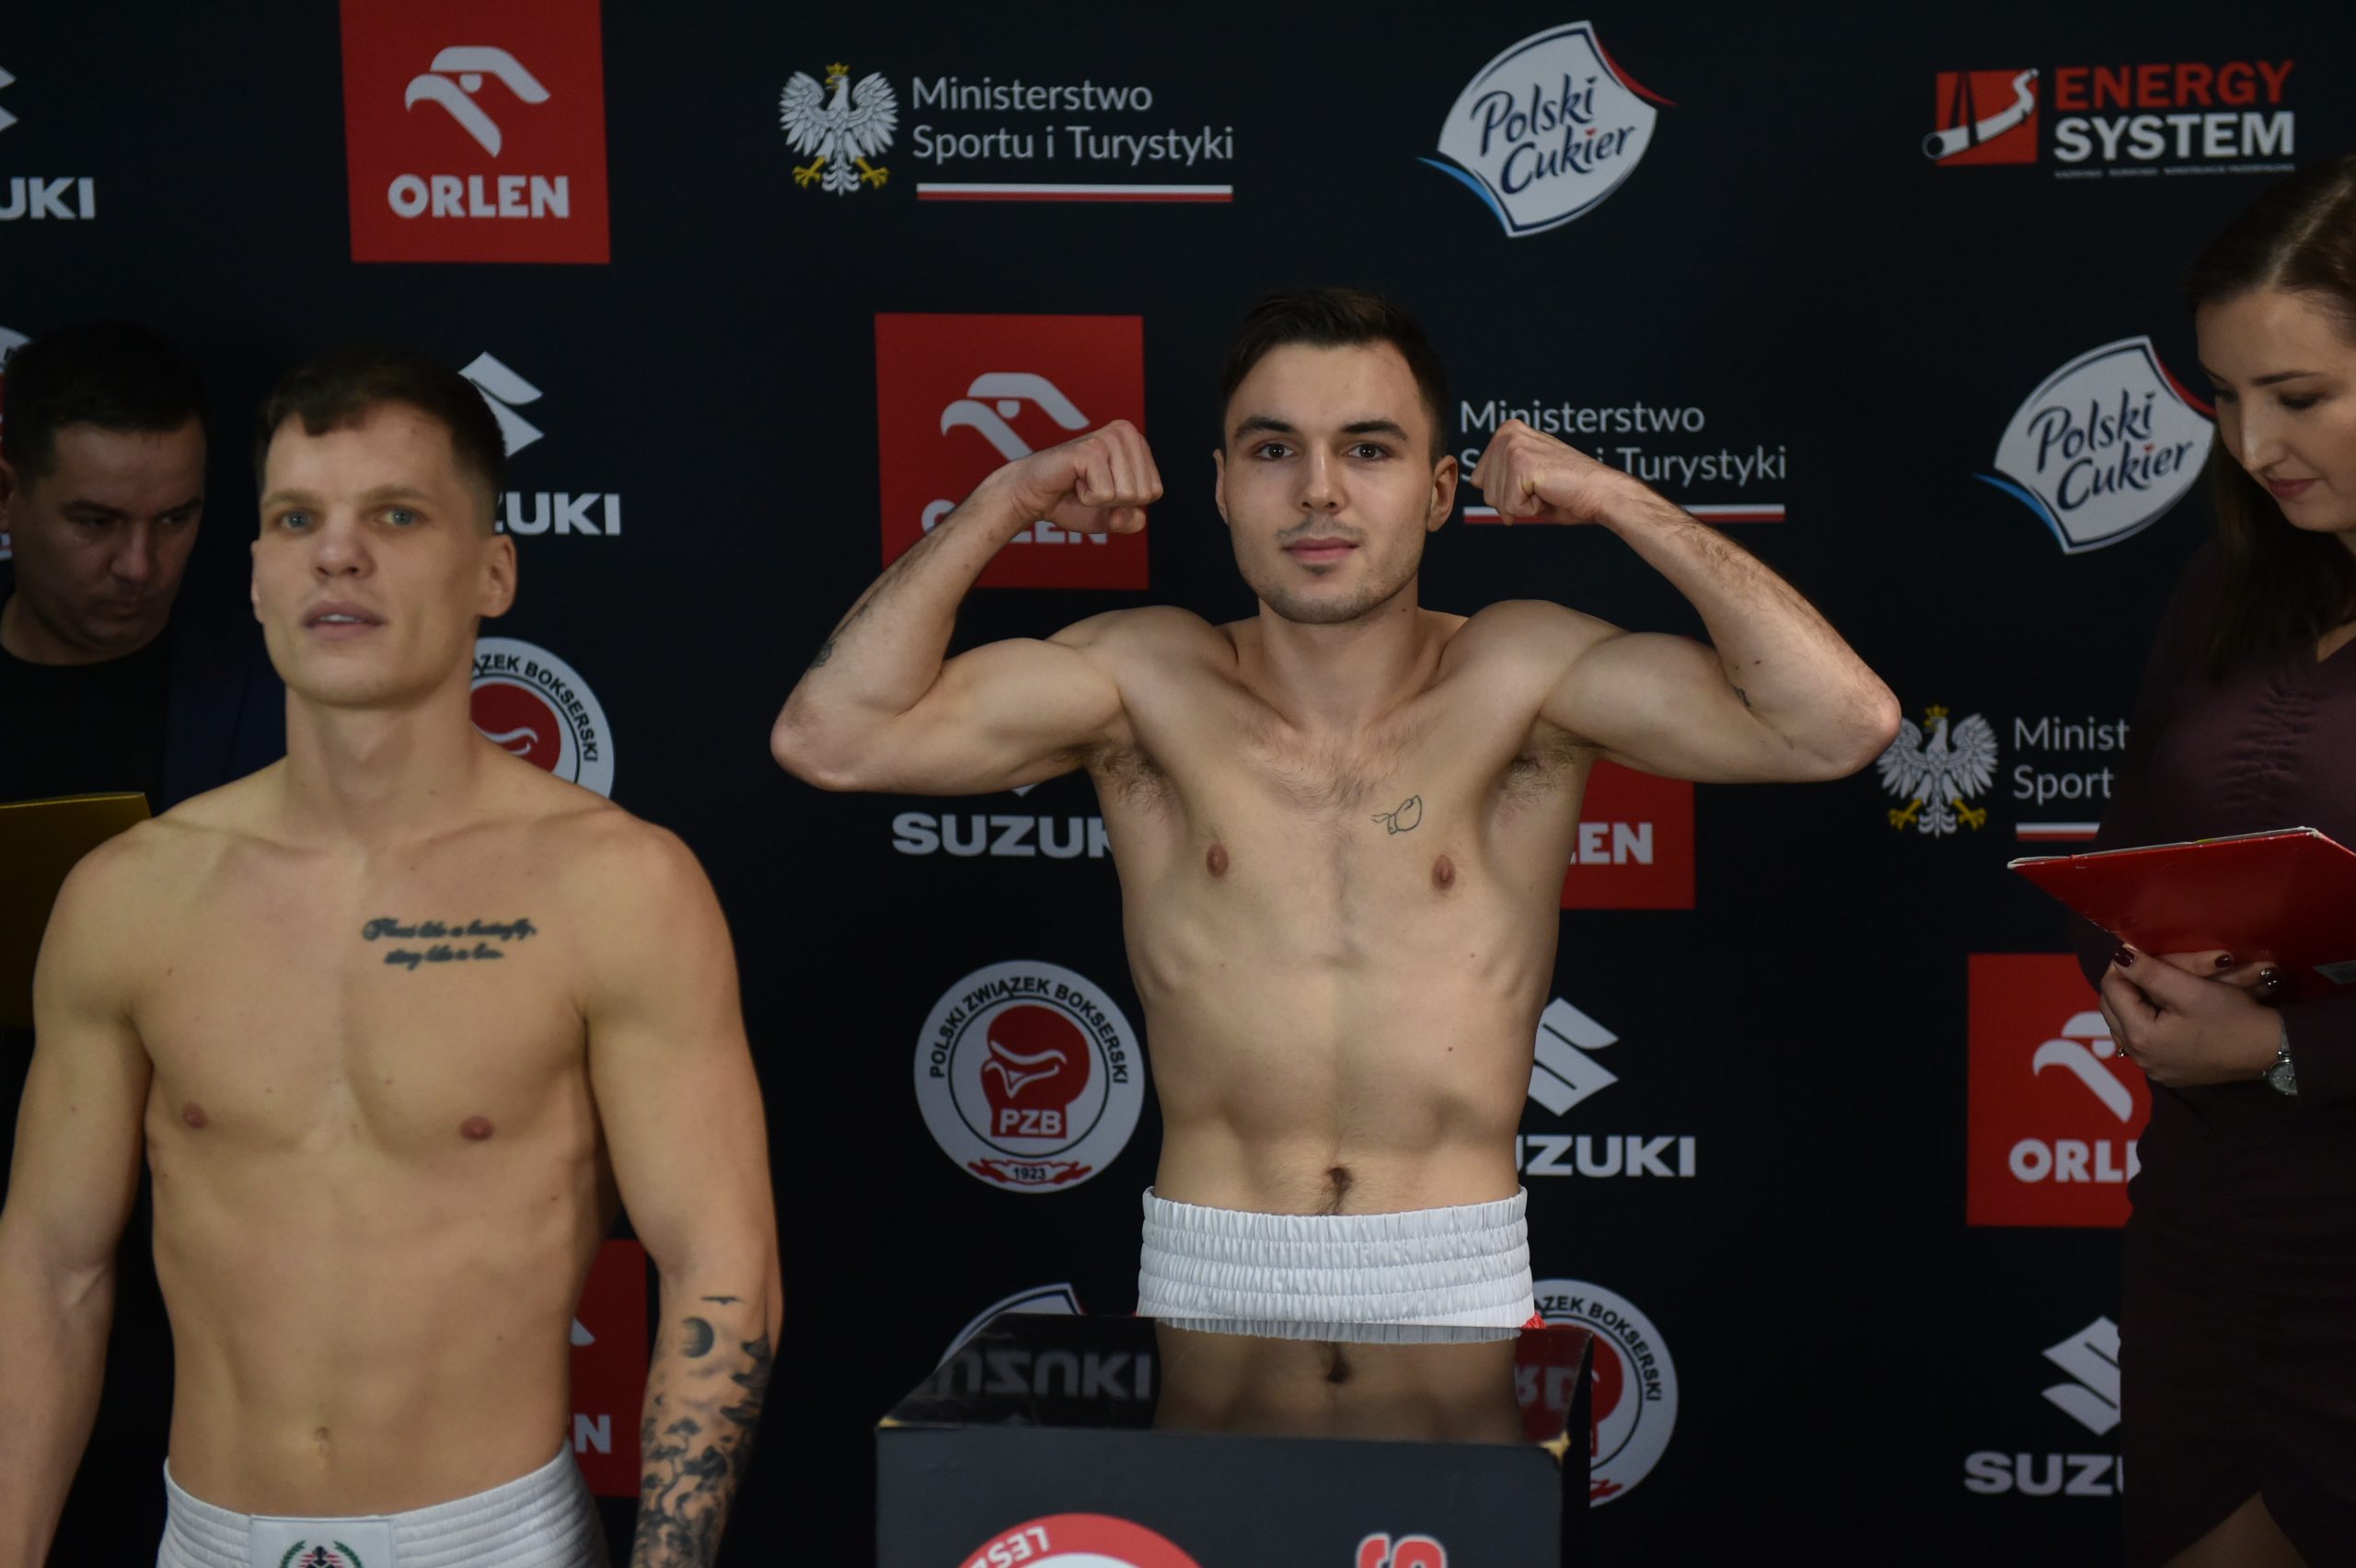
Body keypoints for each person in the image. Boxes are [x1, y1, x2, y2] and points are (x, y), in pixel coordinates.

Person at [773, 287, 1897, 1330]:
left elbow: (1835, 725)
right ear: (1222, 487)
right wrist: (1004, 500)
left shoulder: (1521, 679)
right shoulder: (1144, 682)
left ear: (1440, 491)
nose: (1318, 490)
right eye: (1274, 451)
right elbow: (832, 739)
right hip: (1212, 1266)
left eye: (1368, 449)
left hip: (1453, 1266)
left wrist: (1620, 501)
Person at [0, 345, 781, 1568]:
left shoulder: (618, 888)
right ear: (256, 575)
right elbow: (52, 1272)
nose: (337, 554)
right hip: (207, 1537)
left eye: (396, 516)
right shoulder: (129, 896)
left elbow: (721, 1274)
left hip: (492, 1539)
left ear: (494, 571)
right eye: (295, 519)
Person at [2075, 156, 2356, 1568]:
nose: (2254, 442)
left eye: (2298, 397)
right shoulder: (2229, 583)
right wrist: (2139, 972)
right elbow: (2132, 840)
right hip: (2210, 1237)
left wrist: (2287, 1046)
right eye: (2226, 396)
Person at [0, 320, 281, 810]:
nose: (138, 567)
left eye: (174, 519)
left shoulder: (282, 694)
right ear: (6, 496)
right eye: (97, 522)